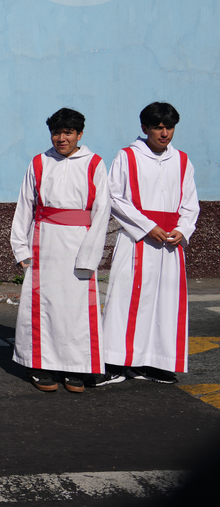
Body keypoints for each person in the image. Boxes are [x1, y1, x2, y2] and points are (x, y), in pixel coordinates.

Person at [9, 109, 110, 393]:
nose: (61, 138)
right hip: (44, 243)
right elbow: (25, 206)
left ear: (80, 134)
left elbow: (102, 213)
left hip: (79, 245)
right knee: (43, 307)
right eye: (56, 132)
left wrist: (90, 256)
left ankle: (75, 369)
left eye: (68, 132)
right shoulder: (40, 162)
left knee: (76, 311)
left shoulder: (94, 164)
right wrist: (21, 249)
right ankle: (40, 365)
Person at [101, 102, 200, 383]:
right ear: (144, 128)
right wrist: (147, 227)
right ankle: (116, 362)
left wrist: (183, 229)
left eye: (169, 127)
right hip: (137, 241)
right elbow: (116, 197)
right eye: (158, 127)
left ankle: (154, 362)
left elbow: (190, 203)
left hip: (170, 243)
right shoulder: (128, 157)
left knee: (164, 302)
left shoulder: (181, 160)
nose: (164, 133)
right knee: (126, 300)